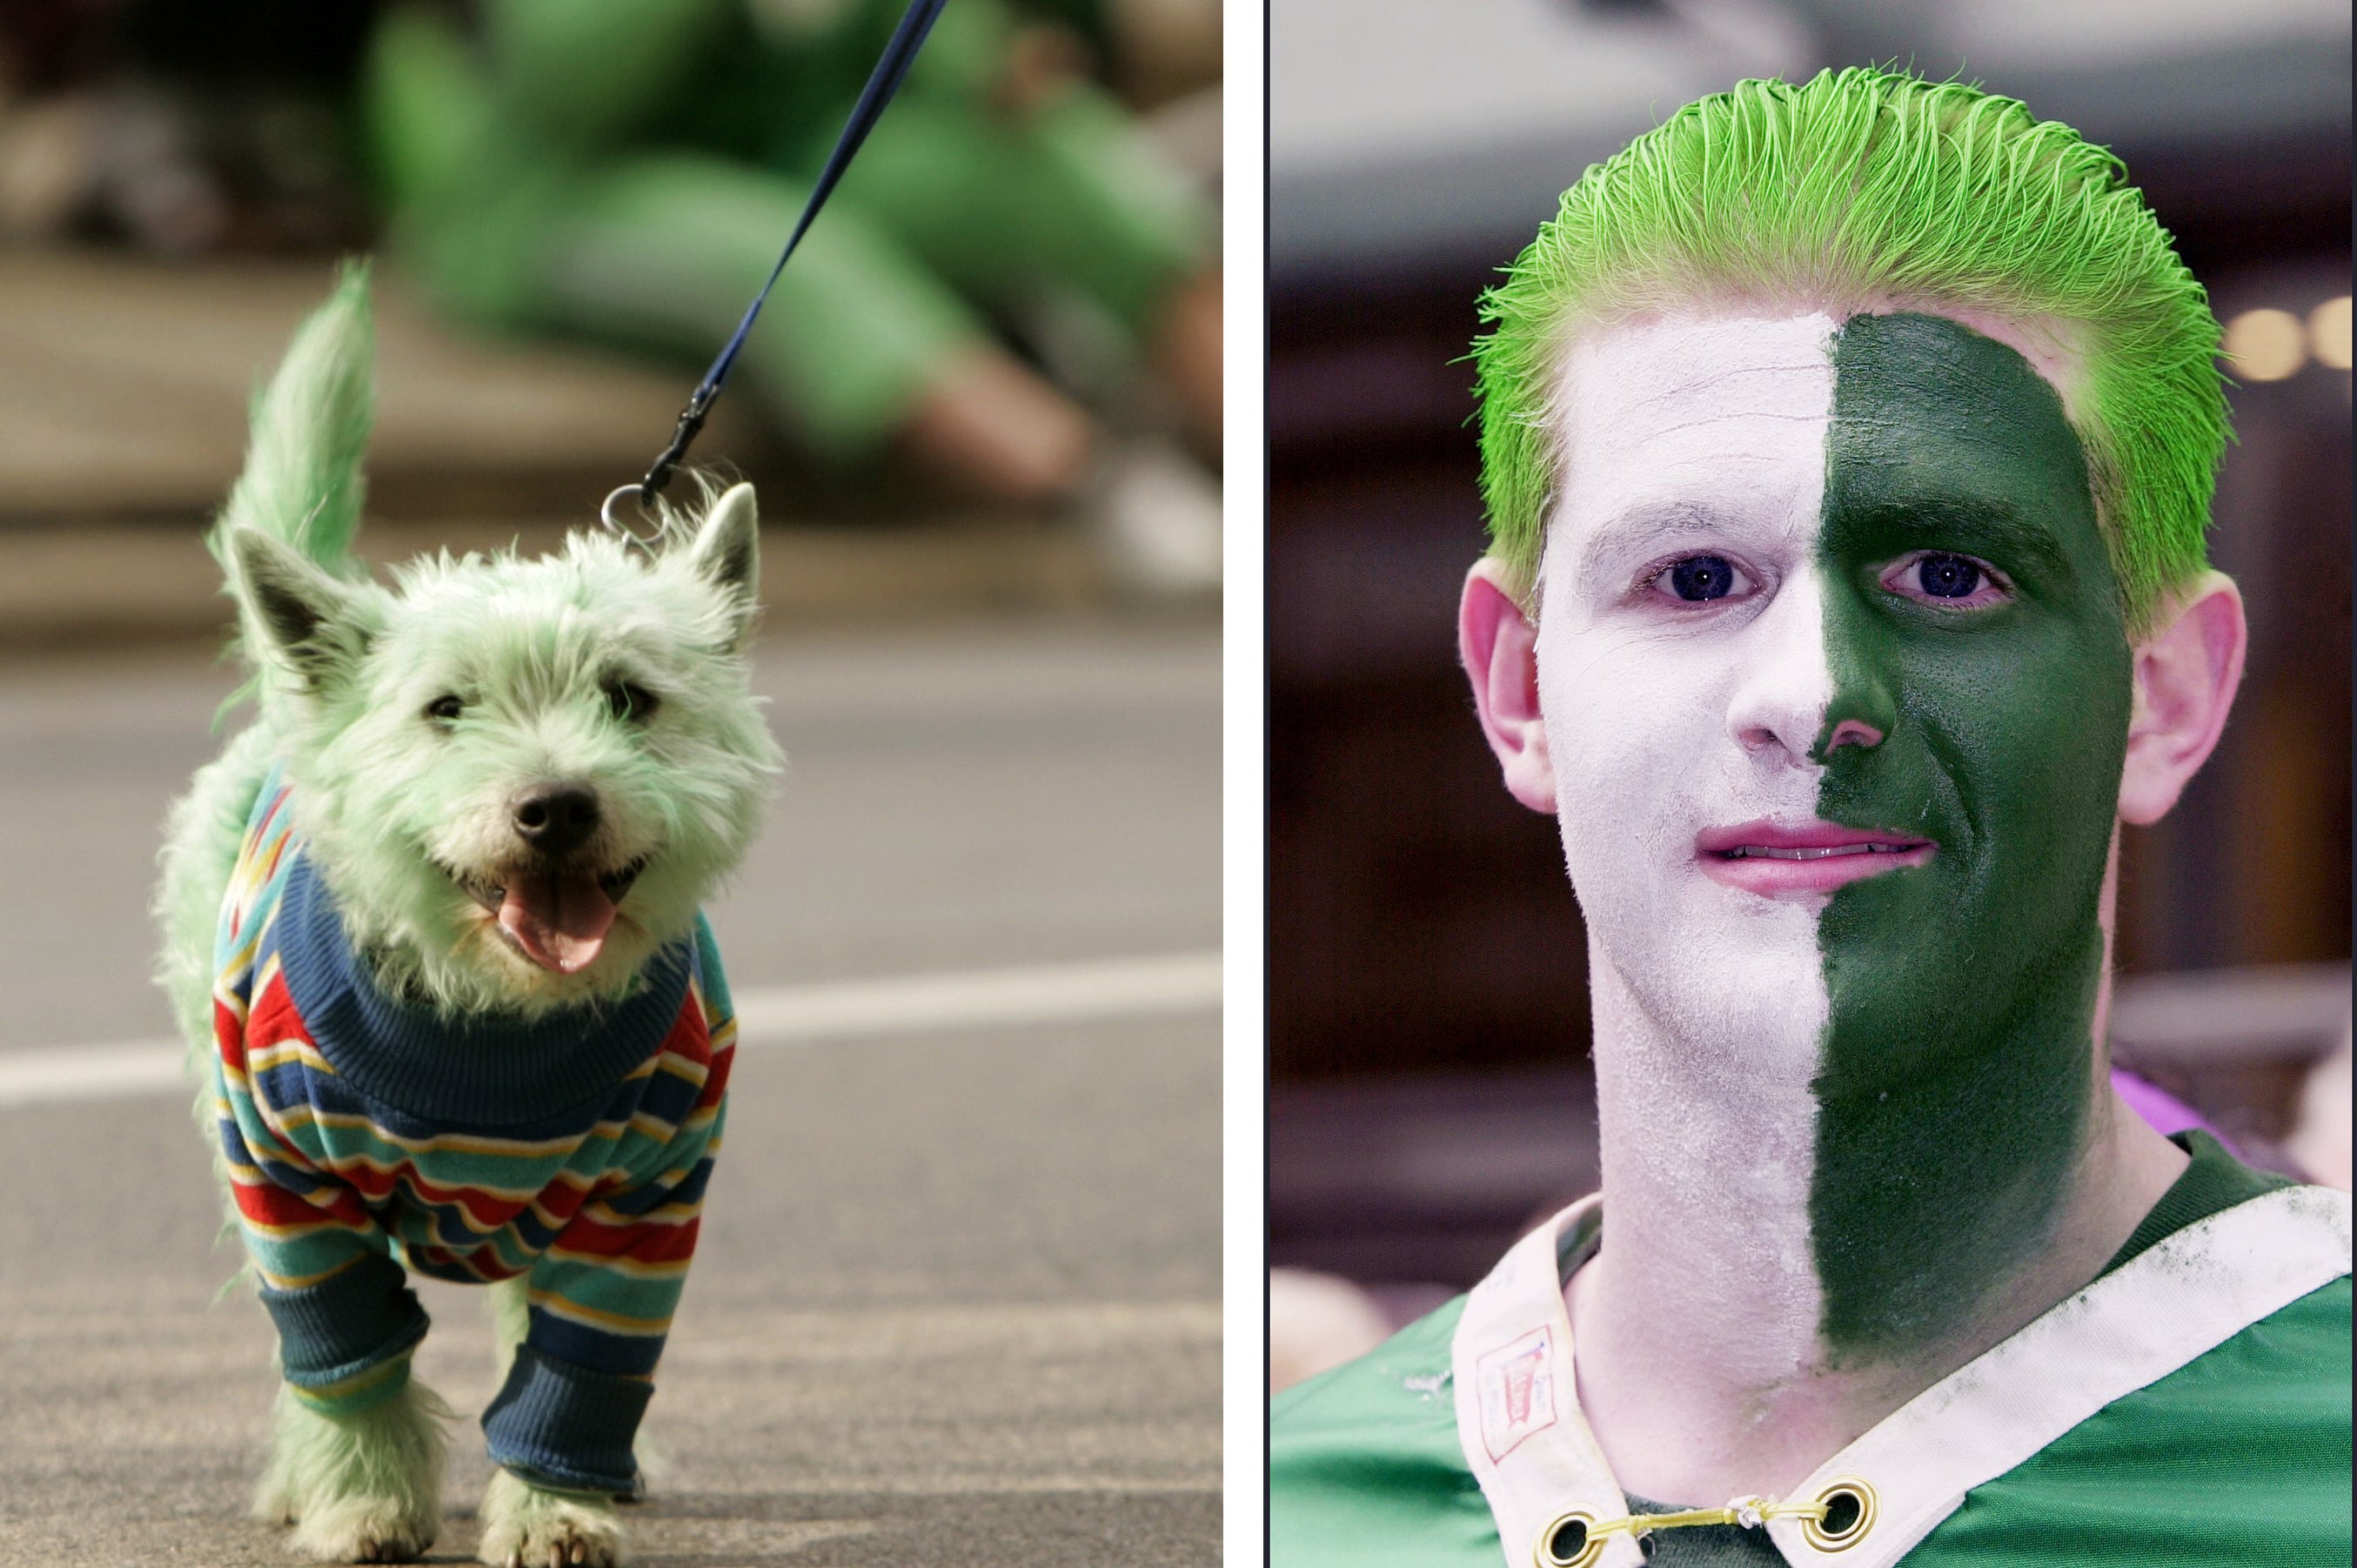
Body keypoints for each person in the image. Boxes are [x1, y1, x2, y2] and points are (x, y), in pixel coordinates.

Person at [1269, 70, 2351, 1568]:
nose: (1810, 692)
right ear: (1518, 688)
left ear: (2162, 696)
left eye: (1948, 577)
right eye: (1695, 579)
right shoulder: (1284, 1505)